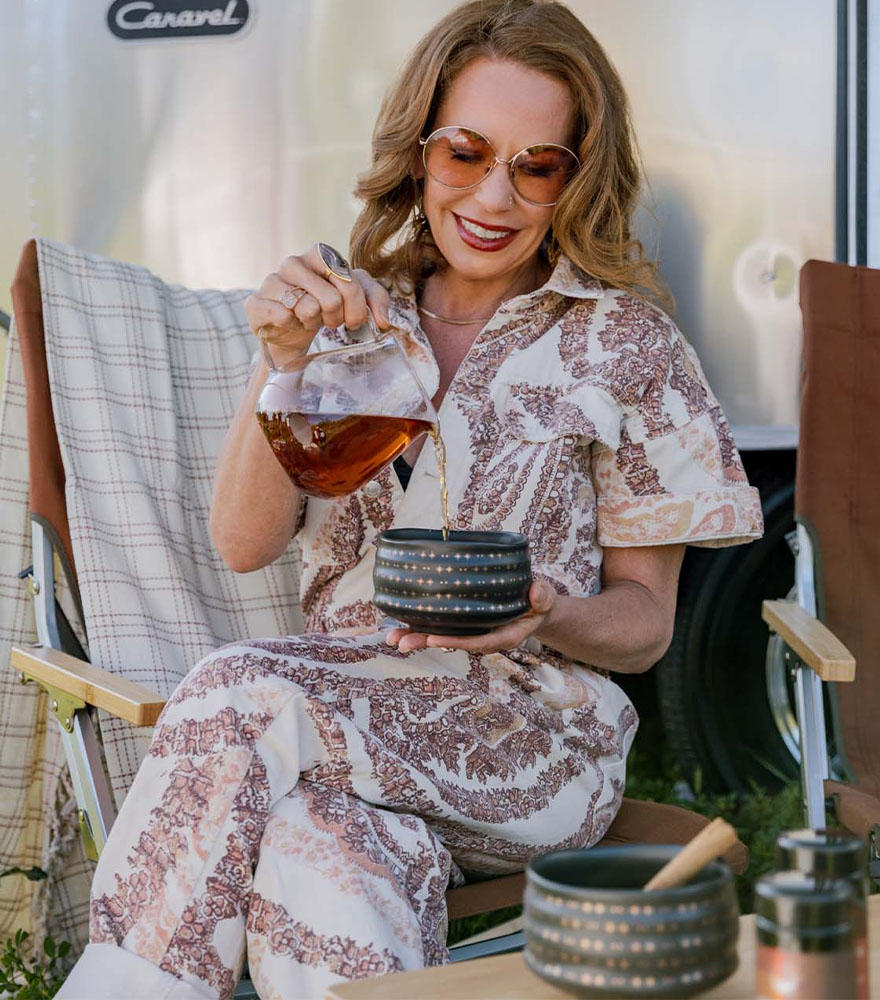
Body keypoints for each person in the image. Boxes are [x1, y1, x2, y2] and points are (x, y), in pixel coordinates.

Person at [58, 2, 762, 997]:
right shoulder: (346, 317)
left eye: (537, 166)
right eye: (465, 152)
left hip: (531, 740)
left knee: (236, 689)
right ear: (419, 150)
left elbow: (646, 626)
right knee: (320, 850)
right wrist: (282, 361)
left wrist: (548, 613)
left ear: (575, 179)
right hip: (344, 734)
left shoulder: (626, 346)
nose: (493, 195)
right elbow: (244, 541)